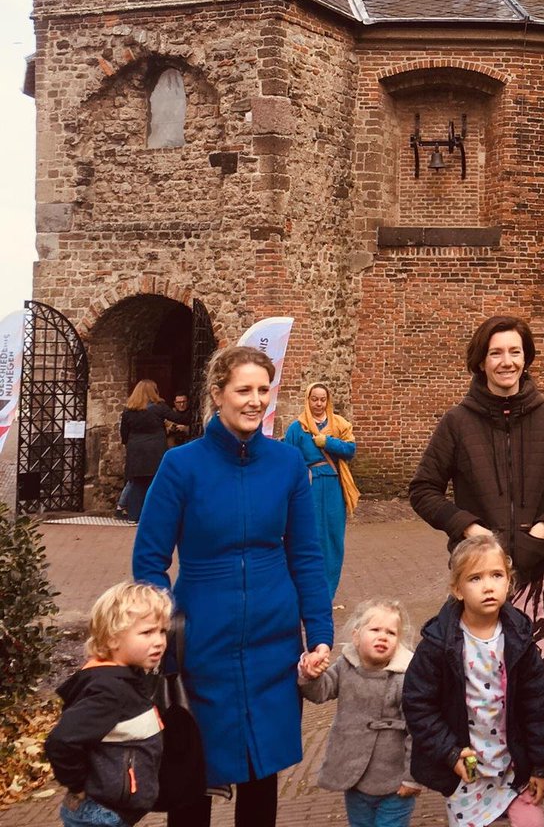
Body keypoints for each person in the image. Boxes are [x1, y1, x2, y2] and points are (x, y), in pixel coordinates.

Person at [132, 344, 334, 827]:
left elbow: (306, 556)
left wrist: (319, 630)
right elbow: (149, 563)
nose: (255, 400)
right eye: (243, 389)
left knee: (262, 772)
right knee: (192, 772)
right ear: (217, 394)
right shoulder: (180, 466)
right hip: (202, 640)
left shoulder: (287, 465)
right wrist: (161, 636)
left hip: (273, 639)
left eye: (264, 390)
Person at [408, 315, 544, 658]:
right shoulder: (457, 422)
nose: (507, 362)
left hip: (536, 575)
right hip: (478, 575)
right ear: (481, 361)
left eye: (515, 352)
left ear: (526, 358)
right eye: (496, 353)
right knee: (475, 681)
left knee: (530, 684)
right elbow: (423, 489)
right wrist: (470, 528)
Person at [402, 533, 544, 827]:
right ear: (457, 589)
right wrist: (449, 751)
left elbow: (536, 707)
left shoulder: (520, 639)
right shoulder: (438, 643)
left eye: (496, 575)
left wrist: (541, 766)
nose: (488, 586)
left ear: (508, 583)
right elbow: (417, 704)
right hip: (466, 769)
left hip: (514, 767)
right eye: (475, 578)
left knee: (533, 823)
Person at [45, 581, 172, 827]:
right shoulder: (109, 691)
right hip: (100, 815)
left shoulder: (129, 678)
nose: (158, 641)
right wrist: (79, 785)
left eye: (162, 631)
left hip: (110, 812)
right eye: (147, 633)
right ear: (113, 640)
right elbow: (61, 741)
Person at [299, 597, 422, 827]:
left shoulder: (405, 677)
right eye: (375, 629)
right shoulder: (346, 665)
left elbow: (417, 731)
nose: (382, 636)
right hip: (355, 779)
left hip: (394, 784)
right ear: (356, 636)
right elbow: (321, 692)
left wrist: (412, 778)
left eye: (391, 633)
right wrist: (311, 676)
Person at [284, 382, 360, 599]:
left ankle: (327, 591)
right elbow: (289, 459)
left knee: (334, 537)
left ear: (328, 401)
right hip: (309, 487)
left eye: (322, 399)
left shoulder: (338, 424)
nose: (318, 403)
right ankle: (306, 588)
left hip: (334, 485)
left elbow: (350, 450)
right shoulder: (297, 428)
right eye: (314, 399)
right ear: (307, 400)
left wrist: (328, 442)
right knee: (311, 536)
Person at [116, 379, 191, 522]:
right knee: (156, 481)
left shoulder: (128, 411)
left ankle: (134, 516)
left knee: (137, 483)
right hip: (155, 449)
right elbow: (179, 418)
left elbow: (124, 433)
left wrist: (130, 444)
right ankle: (156, 515)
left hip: (135, 449)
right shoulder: (159, 407)